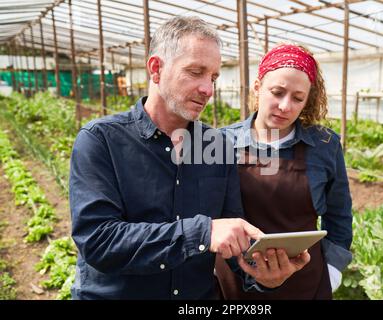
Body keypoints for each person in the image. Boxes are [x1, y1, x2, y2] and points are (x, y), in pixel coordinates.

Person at [69, 17, 310, 300]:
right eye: (196, 72)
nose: (208, 89)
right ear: (156, 69)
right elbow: (98, 240)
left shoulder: (219, 146)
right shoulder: (101, 140)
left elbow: (232, 237)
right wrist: (202, 233)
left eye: (213, 77)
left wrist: (260, 272)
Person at [215, 44, 353, 299]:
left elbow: (339, 213)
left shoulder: (324, 145)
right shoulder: (222, 142)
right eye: (277, 92)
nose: (285, 106)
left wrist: (333, 268)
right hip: (236, 278)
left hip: (303, 279)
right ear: (257, 87)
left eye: (298, 98)